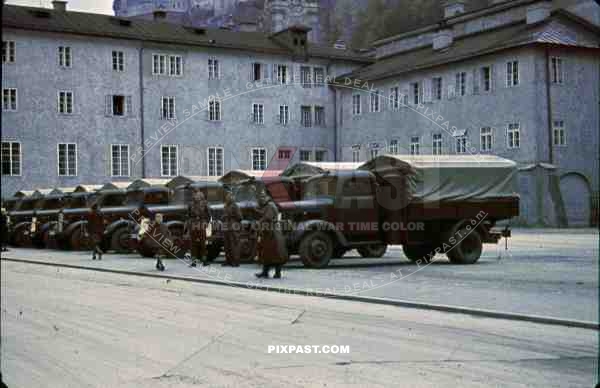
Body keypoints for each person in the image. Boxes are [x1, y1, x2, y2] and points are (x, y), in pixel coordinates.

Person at [255, 191, 288, 279]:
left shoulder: (270, 205)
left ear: (266, 197)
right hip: (268, 232)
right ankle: (265, 272)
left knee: (275, 253)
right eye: (260, 197)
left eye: (262, 197)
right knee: (266, 253)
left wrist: (259, 221)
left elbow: (267, 217)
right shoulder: (267, 205)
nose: (261, 199)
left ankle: (277, 273)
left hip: (273, 233)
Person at [186, 189, 210, 267]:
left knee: (203, 243)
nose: (196, 196)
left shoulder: (205, 204)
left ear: (200, 195)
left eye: (198, 194)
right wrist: (189, 223)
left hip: (201, 224)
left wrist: (206, 223)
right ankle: (193, 261)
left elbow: (208, 215)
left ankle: (204, 260)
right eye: (195, 194)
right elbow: (188, 215)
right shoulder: (190, 204)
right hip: (193, 225)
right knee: (193, 244)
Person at [222, 190, 242, 267]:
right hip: (226, 227)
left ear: (232, 198)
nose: (227, 198)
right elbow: (222, 216)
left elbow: (240, 217)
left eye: (229, 197)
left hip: (233, 227)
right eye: (227, 197)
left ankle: (235, 261)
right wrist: (223, 217)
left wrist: (232, 217)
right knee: (226, 245)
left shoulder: (235, 206)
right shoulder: (225, 206)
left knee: (234, 245)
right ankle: (228, 260)